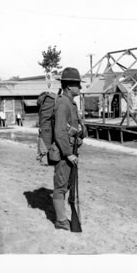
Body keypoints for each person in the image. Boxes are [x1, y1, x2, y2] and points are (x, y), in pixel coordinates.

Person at [51, 67, 86, 231]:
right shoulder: (63, 104)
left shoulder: (70, 103)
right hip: (65, 153)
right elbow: (59, 133)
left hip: (72, 151)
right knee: (60, 186)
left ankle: (65, 217)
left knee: (68, 185)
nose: (80, 88)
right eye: (78, 84)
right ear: (69, 86)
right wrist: (68, 153)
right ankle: (61, 220)